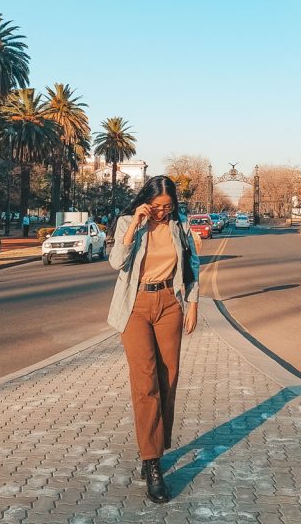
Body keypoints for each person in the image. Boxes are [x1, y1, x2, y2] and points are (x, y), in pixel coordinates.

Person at [107, 176, 199, 504]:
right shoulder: (128, 223)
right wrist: (135, 225)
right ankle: (152, 462)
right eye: (157, 206)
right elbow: (117, 262)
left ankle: (155, 447)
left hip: (169, 305)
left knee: (168, 379)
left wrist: (193, 304)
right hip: (135, 306)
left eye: (168, 207)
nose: (162, 213)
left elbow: (192, 265)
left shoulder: (180, 224)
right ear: (146, 201)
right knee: (145, 383)